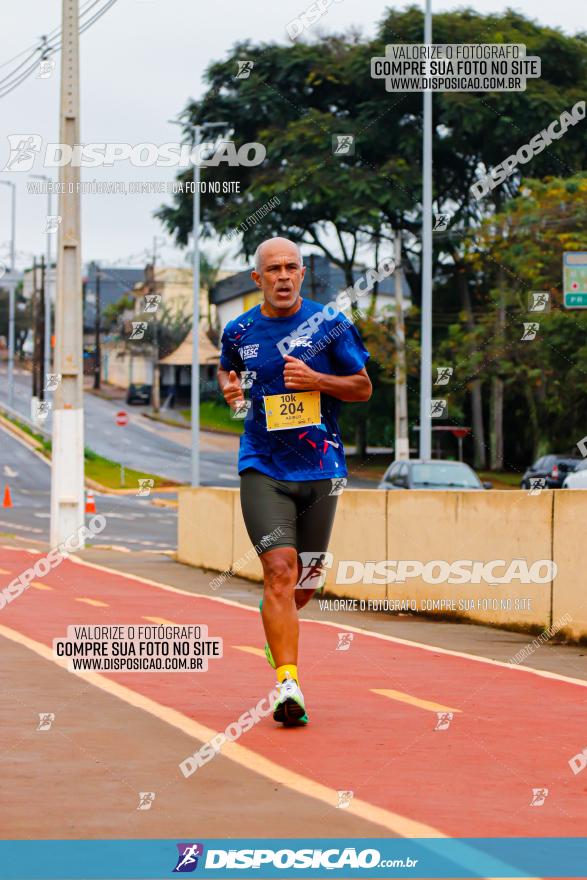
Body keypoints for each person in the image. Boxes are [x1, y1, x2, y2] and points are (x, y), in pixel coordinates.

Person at [217, 237, 372, 725]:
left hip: (322, 470)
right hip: (262, 465)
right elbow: (227, 370)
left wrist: (317, 380)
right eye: (273, 269)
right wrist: (231, 391)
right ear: (256, 279)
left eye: (291, 268)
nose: (283, 276)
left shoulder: (330, 324)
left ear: (302, 275)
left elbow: (363, 388)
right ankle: (289, 683)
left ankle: (278, 638)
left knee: (303, 584)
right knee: (278, 572)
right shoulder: (239, 330)